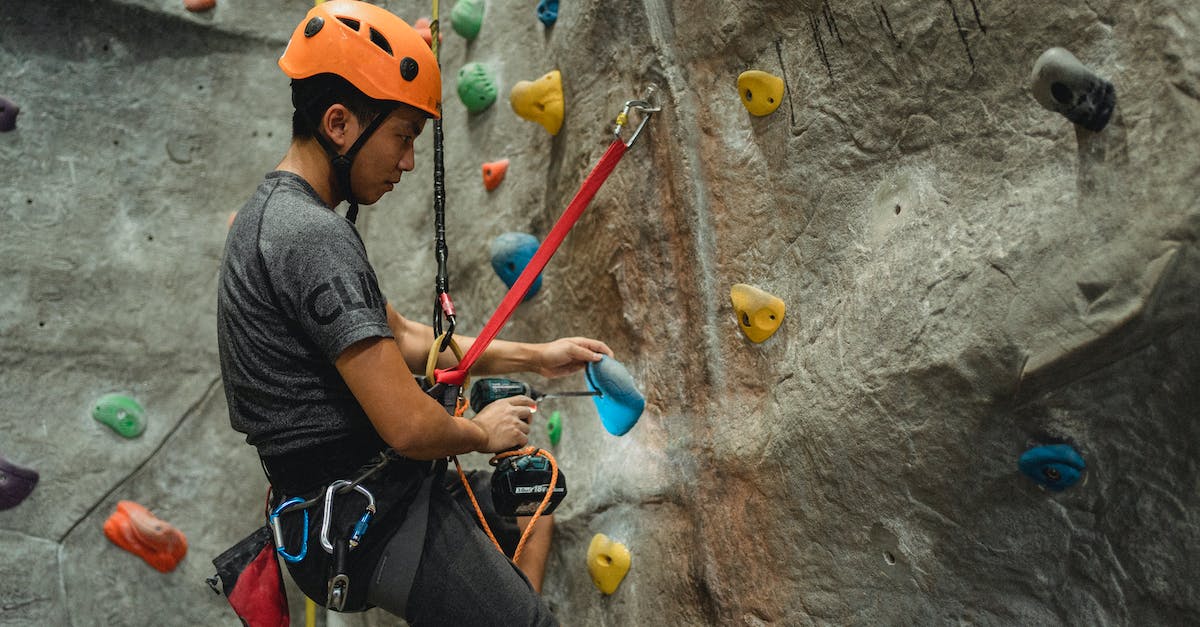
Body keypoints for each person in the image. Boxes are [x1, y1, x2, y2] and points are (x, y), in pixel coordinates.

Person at [216, 1, 610, 623]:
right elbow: (408, 428)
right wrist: (485, 433)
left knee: (535, 506)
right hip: (365, 520)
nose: (407, 162)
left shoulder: (284, 216)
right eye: (402, 137)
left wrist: (541, 355)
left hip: (371, 493)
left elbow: (398, 335)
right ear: (339, 123)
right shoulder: (308, 236)